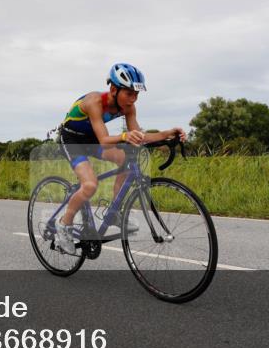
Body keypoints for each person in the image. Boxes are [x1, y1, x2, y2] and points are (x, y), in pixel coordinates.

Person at [54, 63, 186, 254]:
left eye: (137, 94)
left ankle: (114, 213)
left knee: (124, 159)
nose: (133, 99)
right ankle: (63, 225)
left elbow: (139, 135)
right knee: (89, 185)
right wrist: (124, 137)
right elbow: (105, 140)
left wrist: (167, 134)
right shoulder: (94, 101)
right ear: (114, 89)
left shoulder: (128, 107)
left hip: (92, 139)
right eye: (129, 93)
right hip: (72, 139)